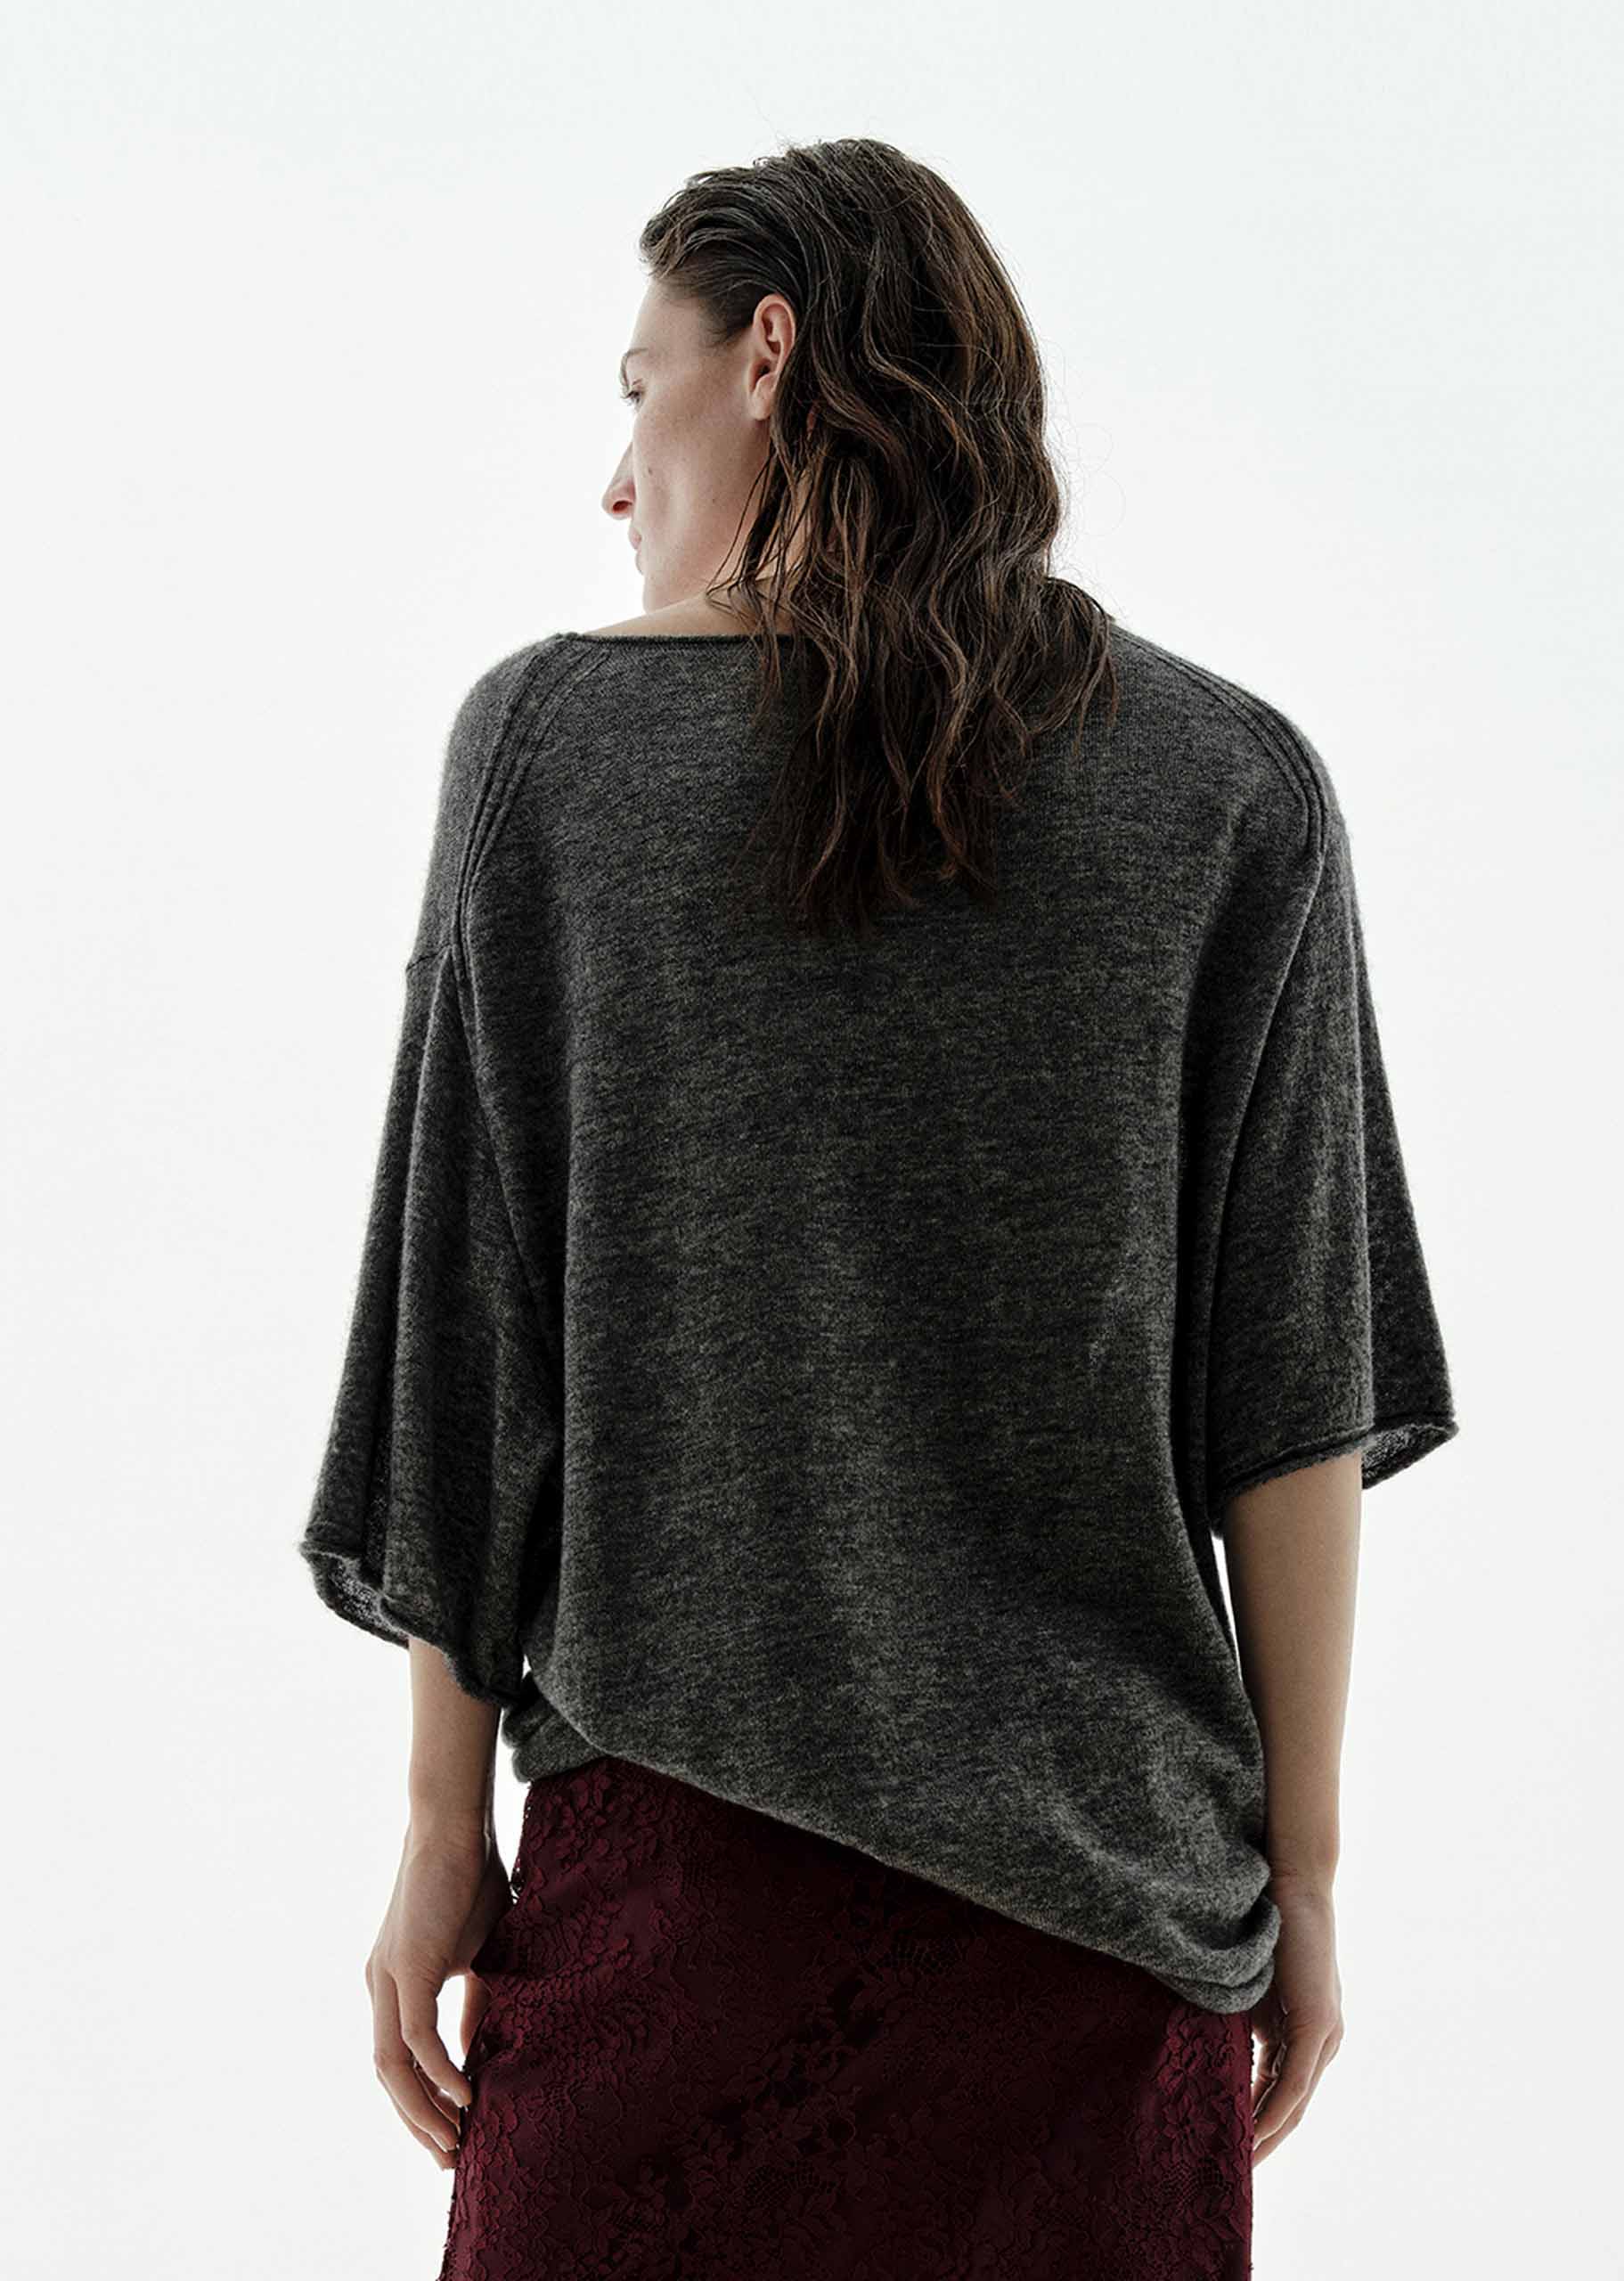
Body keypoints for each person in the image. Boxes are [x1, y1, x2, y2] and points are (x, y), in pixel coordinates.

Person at [298, 136, 1457, 2281]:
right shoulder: (1231, 785)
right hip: (1106, 1928)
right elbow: (1290, 1387)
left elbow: (471, 1342)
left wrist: (442, 1820)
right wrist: (1302, 1875)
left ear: (767, 355)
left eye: (635, 391)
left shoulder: (548, 754)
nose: (615, 481)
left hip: (671, 1905)